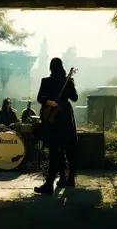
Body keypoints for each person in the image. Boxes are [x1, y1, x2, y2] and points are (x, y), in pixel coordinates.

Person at [34, 57, 78, 194]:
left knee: (55, 151)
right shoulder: (67, 81)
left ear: (51, 67)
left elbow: (40, 98)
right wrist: (71, 86)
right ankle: (69, 178)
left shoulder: (46, 81)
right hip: (65, 118)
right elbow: (75, 98)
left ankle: (50, 183)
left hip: (52, 120)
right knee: (68, 148)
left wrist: (48, 102)